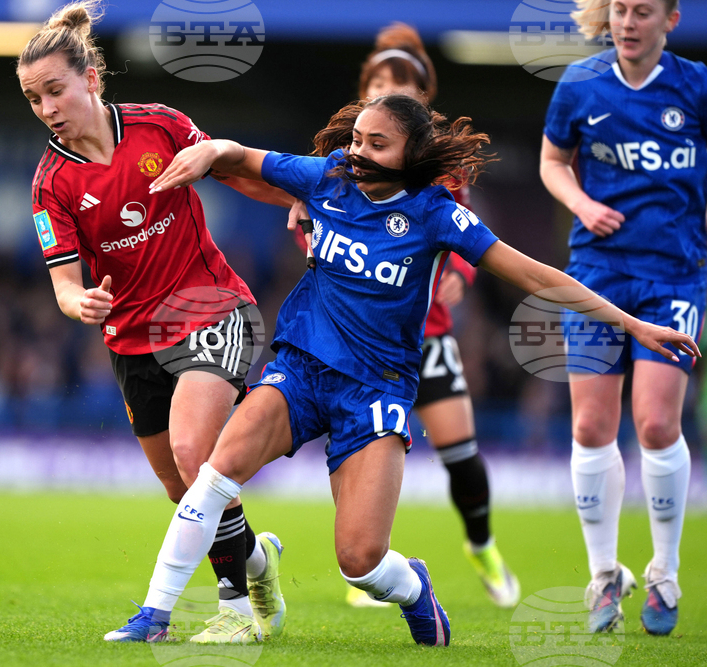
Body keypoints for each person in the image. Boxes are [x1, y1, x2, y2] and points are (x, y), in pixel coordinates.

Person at [103, 94, 698, 647]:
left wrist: (633, 326)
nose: (359, 152)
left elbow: (540, 277)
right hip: (301, 368)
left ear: (411, 155)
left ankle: (413, 585)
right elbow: (244, 158)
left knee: (359, 561)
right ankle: (154, 615)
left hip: (376, 390)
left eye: (377, 144)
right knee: (215, 471)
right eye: (357, 139)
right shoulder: (328, 176)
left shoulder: (436, 215)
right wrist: (212, 150)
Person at [18, 1, 292, 643]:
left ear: (91, 78)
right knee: (183, 488)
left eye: (55, 89)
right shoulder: (50, 185)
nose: (47, 107)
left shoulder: (159, 125)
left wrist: (301, 201)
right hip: (132, 339)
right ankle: (257, 563)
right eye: (33, 98)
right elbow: (63, 281)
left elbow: (236, 173)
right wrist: (77, 302)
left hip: (212, 305)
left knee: (198, 457)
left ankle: (224, 612)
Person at [289, 23, 518, 610]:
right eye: (381, 82)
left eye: (405, 84)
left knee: (459, 451)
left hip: (424, 334)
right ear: (364, 90)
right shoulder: (344, 159)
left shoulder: (440, 171)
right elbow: (320, 225)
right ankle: (374, 562)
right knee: (358, 455)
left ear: (423, 97)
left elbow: (468, 240)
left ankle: (481, 543)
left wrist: (460, 281)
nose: (393, 90)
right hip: (357, 344)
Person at [540, 0, 705, 636]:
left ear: (671, 19)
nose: (628, 23)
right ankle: (604, 573)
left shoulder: (695, 86)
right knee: (590, 422)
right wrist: (582, 203)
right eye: (620, 11)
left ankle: (664, 570)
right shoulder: (581, 85)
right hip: (598, 273)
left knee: (659, 423)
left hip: (674, 276)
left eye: (642, 12)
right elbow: (553, 163)